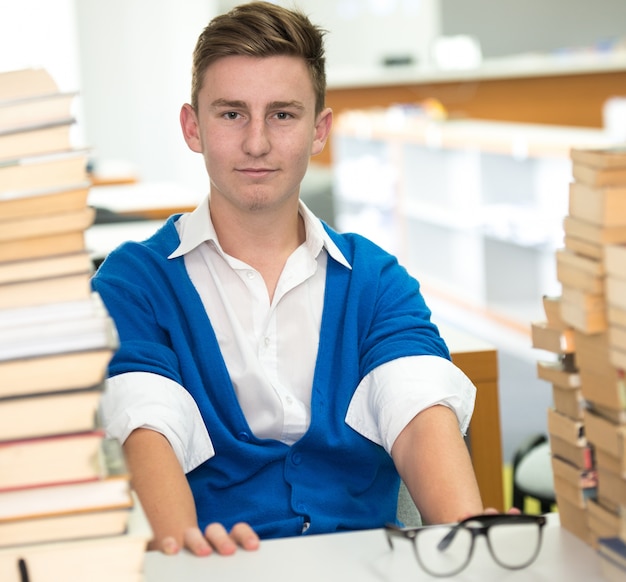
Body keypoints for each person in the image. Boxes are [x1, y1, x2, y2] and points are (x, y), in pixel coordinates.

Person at [92, 1, 488, 558]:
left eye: (282, 114)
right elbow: (146, 431)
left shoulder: (375, 280)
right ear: (193, 126)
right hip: (216, 571)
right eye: (232, 114)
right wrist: (191, 560)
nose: (257, 142)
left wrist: (474, 546)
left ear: (319, 129)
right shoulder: (134, 283)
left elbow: (420, 414)